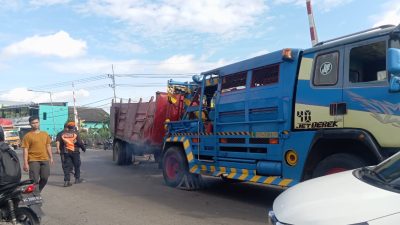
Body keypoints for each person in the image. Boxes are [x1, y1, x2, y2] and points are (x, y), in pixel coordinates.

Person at [21, 116, 54, 192]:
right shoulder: (27, 136)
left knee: (45, 177)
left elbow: (48, 146)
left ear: (39, 123)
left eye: (36, 122)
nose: (35, 124)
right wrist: (25, 163)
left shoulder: (45, 134)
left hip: (44, 159)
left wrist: (51, 157)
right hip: (33, 160)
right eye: (33, 123)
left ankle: (37, 191)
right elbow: (25, 150)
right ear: (30, 124)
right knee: (34, 180)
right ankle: (34, 194)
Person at [61, 122, 86, 187]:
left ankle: (66, 181)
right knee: (77, 165)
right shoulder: (76, 134)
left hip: (66, 152)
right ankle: (77, 179)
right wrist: (83, 148)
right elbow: (79, 143)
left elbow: (61, 144)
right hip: (75, 152)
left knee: (67, 167)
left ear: (68, 127)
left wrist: (62, 152)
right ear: (74, 127)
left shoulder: (63, 134)